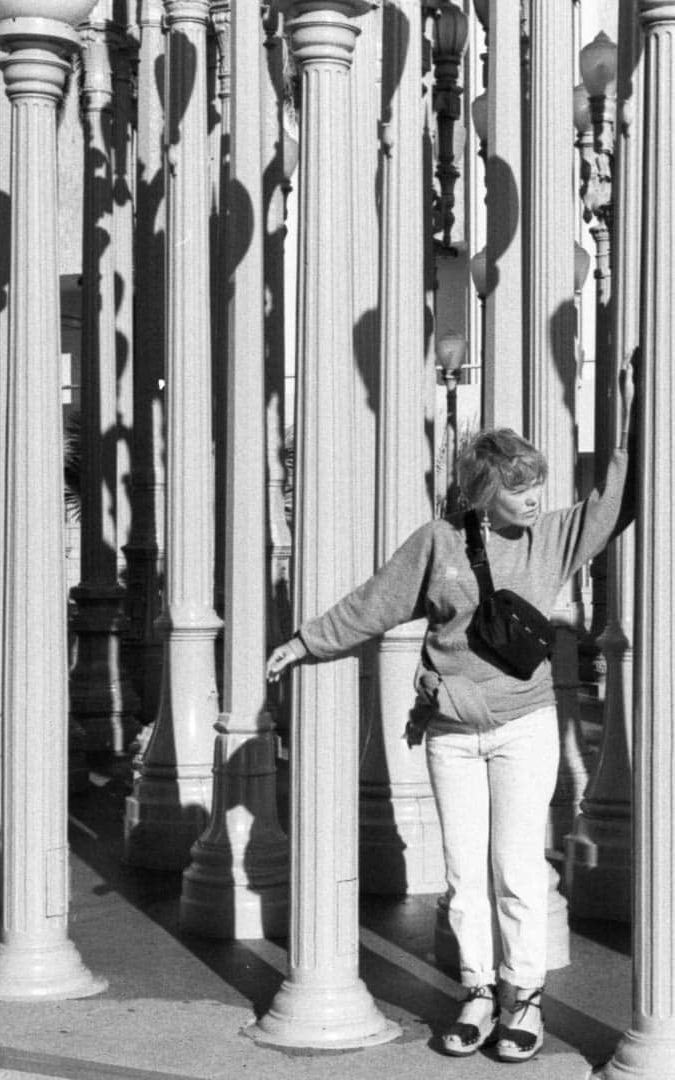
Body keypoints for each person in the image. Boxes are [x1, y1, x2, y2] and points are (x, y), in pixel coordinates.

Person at [266, 358, 636, 1063]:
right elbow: (375, 602)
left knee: (517, 868)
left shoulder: (553, 538)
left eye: (536, 485)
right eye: (519, 486)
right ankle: (477, 988)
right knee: (464, 874)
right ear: (486, 491)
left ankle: (522, 997)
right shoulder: (438, 543)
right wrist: (304, 643)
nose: (532, 497)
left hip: (523, 728)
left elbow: (612, 503)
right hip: (450, 734)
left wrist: (629, 413)